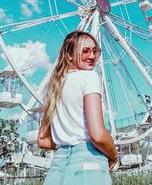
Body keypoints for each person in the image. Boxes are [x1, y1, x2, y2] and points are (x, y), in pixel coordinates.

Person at [39, 31, 118, 184]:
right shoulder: (89, 77)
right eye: (85, 51)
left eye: (95, 51)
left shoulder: (53, 87)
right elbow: (97, 135)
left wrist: (67, 141)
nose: (92, 56)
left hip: (57, 166)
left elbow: (42, 140)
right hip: (89, 162)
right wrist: (114, 155)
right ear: (69, 55)